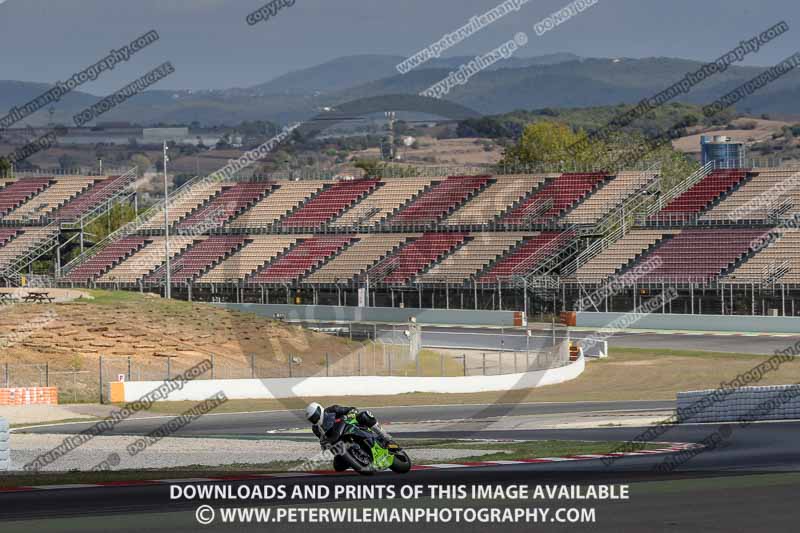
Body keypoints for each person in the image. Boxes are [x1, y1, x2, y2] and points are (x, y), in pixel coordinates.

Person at [305, 402, 397, 449]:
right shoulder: (316, 428)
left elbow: (352, 409)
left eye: (315, 416)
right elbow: (322, 440)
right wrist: (324, 444)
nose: (314, 419)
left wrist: (349, 414)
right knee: (338, 466)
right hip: (339, 441)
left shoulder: (332, 410)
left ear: (319, 410)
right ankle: (356, 458)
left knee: (365, 415)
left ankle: (386, 438)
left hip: (349, 426)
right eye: (311, 419)